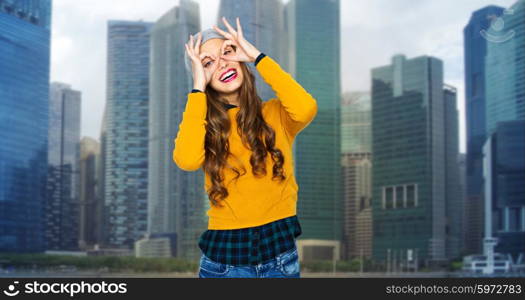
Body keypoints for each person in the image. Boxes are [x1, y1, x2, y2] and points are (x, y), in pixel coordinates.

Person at [174, 16, 317, 278]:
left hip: (281, 255)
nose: (222, 63)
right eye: (207, 63)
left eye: (227, 52)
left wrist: (257, 57)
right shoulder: (205, 128)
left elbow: (306, 108)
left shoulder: (276, 114)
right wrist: (197, 88)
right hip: (225, 261)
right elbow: (186, 159)